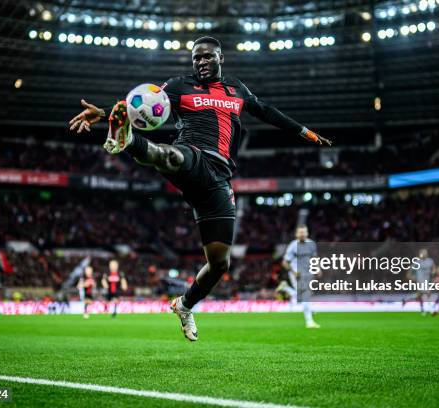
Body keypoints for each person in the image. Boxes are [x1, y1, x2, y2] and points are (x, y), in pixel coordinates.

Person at [69, 36, 331, 341]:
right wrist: (103, 113)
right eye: (196, 58)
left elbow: (268, 111)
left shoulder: (237, 89)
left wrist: (304, 131)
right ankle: (126, 140)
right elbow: (141, 104)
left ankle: (184, 305)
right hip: (192, 155)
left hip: (219, 180)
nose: (201, 62)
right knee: (168, 154)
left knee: (219, 263)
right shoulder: (179, 86)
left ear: (221, 58)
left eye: (207, 57)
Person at [281, 225, 320, 328]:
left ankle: (286, 288)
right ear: (296, 234)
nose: (302, 234)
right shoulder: (293, 246)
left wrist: (317, 268)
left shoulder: (311, 244)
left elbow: (314, 258)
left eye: (304, 232)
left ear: (307, 233)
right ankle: (309, 322)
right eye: (300, 233)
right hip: (297, 274)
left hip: (308, 273)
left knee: (303, 296)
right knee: (305, 295)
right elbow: (285, 262)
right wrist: (293, 272)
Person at [408, 248, 436, 315]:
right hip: (420, 280)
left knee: (419, 295)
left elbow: (434, 268)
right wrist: (410, 277)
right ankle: (431, 310)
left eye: (425, 252)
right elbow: (410, 271)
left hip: (427, 280)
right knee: (428, 293)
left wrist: (433, 272)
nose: (424, 254)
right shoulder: (417, 262)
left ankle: (422, 309)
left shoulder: (430, 261)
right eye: (422, 253)